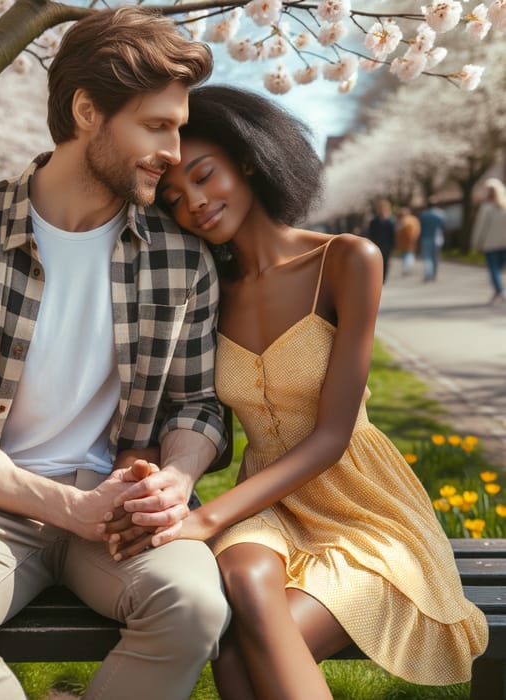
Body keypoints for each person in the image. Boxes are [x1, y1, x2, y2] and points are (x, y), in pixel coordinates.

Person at [0, 9, 231, 700]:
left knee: (194, 607)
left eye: (178, 128)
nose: (175, 152)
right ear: (87, 110)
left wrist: (178, 480)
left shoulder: (182, 260)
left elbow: (198, 404)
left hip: (123, 509)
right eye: (157, 126)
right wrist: (67, 507)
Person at [109, 85, 488, 700]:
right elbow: (183, 405)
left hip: (361, 503)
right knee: (244, 579)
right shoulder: (207, 289)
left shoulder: (347, 260)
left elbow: (334, 436)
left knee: (236, 656)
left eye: (205, 176)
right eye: (175, 199)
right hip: (265, 506)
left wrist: (202, 518)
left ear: (249, 161)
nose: (196, 204)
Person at [471, 177, 506, 305]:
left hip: (491, 244)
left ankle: (499, 291)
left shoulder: (486, 208)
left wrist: (476, 244)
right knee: (499, 269)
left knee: (494, 270)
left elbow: (480, 228)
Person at [366, 198, 395, 283]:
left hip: (387, 245)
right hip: (376, 244)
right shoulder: (374, 221)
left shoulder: (390, 221)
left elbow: (392, 234)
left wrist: (392, 245)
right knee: (377, 261)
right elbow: (371, 233)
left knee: (385, 262)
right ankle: (377, 276)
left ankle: (383, 278)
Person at [419, 199, 446, 281]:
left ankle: (428, 274)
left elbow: (421, 227)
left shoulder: (424, 215)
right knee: (435, 257)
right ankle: (434, 275)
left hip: (426, 238)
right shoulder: (441, 214)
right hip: (437, 238)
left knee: (427, 257)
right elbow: (443, 226)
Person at [395, 206, 421, 275]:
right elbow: (417, 230)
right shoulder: (413, 219)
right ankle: (407, 267)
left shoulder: (403, 220)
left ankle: (406, 267)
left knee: (407, 254)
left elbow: (397, 230)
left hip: (407, 241)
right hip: (407, 241)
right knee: (407, 254)